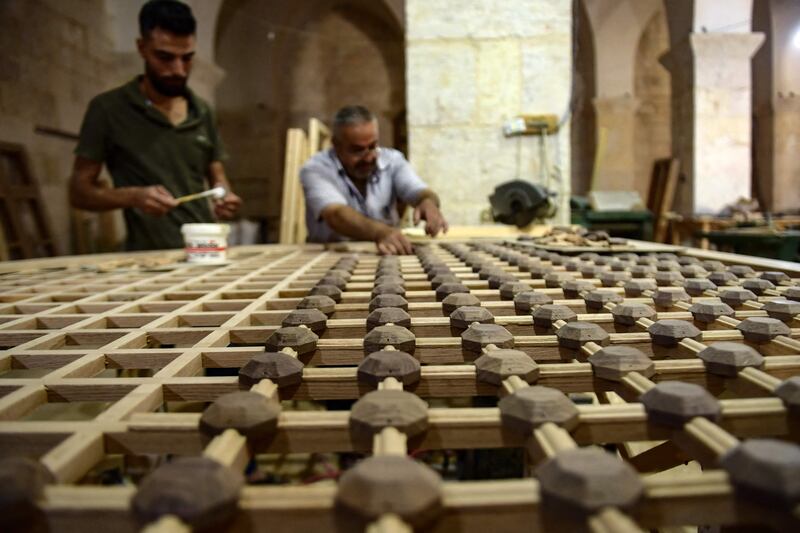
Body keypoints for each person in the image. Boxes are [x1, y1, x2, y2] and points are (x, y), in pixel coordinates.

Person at [69, 0, 241, 251]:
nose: (179, 70)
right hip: (149, 256)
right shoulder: (108, 109)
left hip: (204, 248)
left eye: (187, 58)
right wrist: (133, 196)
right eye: (165, 57)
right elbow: (79, 192)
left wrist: (224, 196)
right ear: (142, 48)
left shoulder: (201, 110)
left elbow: (219, 178)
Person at [300, 106, 448, 255]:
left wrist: (428, 202)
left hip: (386, 252)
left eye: (372, 146)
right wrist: (380, 232)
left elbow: (417, 190)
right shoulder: (315, 169)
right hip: (331, 255)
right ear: (336, 145)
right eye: (358, 150)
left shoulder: (392, 160)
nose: (369, 157)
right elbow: (336, 214)